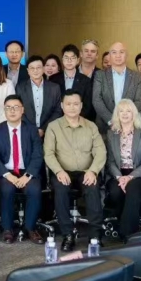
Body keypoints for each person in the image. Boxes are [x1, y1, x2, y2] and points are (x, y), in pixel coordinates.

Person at [44, 90, 106, 251]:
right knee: (60, 188)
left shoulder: (91, 126)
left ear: (81, 106)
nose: (72, 107)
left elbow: (100, 151)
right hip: (63, 171)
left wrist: (93, 171)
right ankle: (67, 234)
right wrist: (59, 171)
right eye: (68, 104)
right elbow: (48, 153)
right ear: (62, 106)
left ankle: (95, 235)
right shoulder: (53, 127)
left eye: (76, 104)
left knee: (92, 187)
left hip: (86, 171)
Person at [0, 94, 44, 244]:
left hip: (27, 171)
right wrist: (8, 175)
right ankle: (7, 229)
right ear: (4, 110)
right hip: (6, 172)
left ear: (22, 110)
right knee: (7, 190)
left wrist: (28, 175)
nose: (12, 111)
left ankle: (30, 228)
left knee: (34, 190)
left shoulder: (31, 130)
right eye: (8, 108)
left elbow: (38, 155)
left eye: (16, 107)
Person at [105, 99, 141, 242]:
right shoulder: (111, 134)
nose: (125, 114)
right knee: (115, 191)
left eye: (128, 111)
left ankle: (127, 233)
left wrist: (129, 177)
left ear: (134, 114)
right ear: (117, 114)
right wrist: (120, 177)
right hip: (118, 174)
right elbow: (110, 162)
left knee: (132, 187)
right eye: (121, 111)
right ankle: (121, 223)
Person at [92, 42, 141, 135]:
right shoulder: (100, 75)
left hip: (129, 126)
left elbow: (138, 101)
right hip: (105, 125)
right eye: (114, 52)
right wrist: (112, 121)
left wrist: (124, 120)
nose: (118, 55)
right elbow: (97, 100)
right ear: (109, 56)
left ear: (127, 55)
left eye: (121, 52)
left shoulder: (136, 76)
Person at [16, 55, 63, 138]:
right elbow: (18, 109)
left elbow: (58, 111)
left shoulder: (54, 88)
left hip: (49, 132)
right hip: (26, 131)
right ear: (28, 71)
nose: (35, 71)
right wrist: (32, 129)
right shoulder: (20, 87)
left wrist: (43, 129)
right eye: (32, 68)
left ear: (43, 69)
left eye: (38, 67)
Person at [49, 44, 95, 122]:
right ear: (62, 59)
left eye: (72, 58)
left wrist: (74, 119)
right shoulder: (53, 79)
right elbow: (51, 104)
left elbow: (87, 106)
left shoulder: (86, 80)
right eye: (66, 58)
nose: (69, 61)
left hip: (79, 121)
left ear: (78, 60)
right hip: (57, 121)